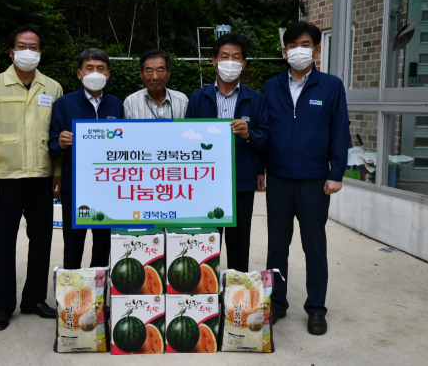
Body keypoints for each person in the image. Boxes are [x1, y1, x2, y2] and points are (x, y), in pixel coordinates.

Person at [259, 21, 349, 336]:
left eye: (306, 44)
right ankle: (277, 304)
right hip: (279, 179)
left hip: (314, 180)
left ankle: (316, 310)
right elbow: (264, 130)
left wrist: (336, 173)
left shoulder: (331, 86)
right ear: (285, 51)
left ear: (317, 49)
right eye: (294, 45)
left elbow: (340, 130)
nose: (300, 50)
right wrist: (261, 169)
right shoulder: (271, 87)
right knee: (276, 247)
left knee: (314, 246)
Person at [0, 26, 63, 331]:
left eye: (34, 47)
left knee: (41, 240)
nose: (28, 52)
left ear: (40, 52)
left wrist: (58, 172)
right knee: (2, 241)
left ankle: (34, 299)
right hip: (6, 176)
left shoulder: (53, 88)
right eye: (22, 46)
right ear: (11, 51)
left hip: (41, 175)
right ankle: (3, 304)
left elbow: (57, 135)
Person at [185, 33, 268, 272]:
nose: (230, 62)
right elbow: (186, 138)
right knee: (203, 243)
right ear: (214, 61)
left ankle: (234, 293)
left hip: (240, 181)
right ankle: (204, 298)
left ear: (244, 63)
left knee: (239, 242)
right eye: (224, 56)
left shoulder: (256, 99)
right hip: (204, 183)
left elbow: (266, 137)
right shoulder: (199, 97)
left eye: (236, 57)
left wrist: (248, 133)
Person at [49, 48, 124, 269]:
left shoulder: (117, 105)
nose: (95, 73)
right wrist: (60, 143)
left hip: (108, 186)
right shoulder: (64, 104)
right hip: (75, 186)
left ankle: (98, 296)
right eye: (89, 68)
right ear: (79, 74)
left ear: (108, 74)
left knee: (103, 245)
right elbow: (52, 145)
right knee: (73, 243)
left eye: (100, 69)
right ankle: (72, 292)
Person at [123, 48, 188, 119]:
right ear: (141, 73)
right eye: (149, 71)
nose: (155, 77)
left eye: (160, 71)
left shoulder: (182, 101)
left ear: (168, 73)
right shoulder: (131, 102)